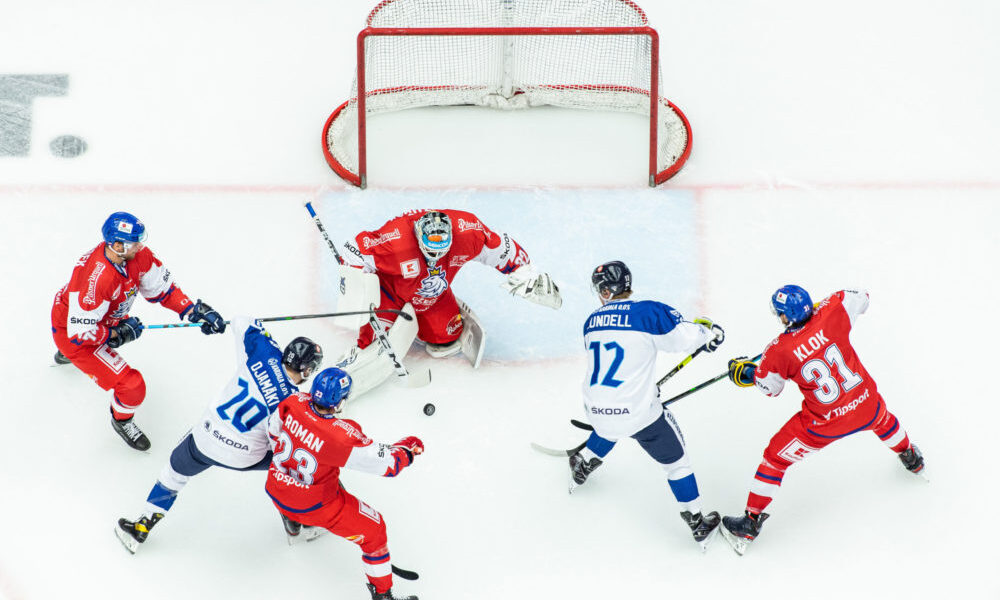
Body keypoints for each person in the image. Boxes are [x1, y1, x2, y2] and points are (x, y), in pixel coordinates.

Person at [721, 286, 925, 556]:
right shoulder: (834, 309)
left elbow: (770, 387)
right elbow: (862, 297)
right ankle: (910, 456)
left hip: (825, 424)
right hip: (864, 402)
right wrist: (821, 310)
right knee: (883, 419)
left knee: (775, 458)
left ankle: (750, 521)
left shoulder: (777, 351)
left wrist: (746, 373)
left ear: (786, 317)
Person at [114, 317, 323, 553]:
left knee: (173, 474)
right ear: (307, 370)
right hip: (244, 456)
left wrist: (256, 332)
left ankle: (141, 527)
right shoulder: (294, 404)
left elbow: (244, 321)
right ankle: (296, 521)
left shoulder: (264, 352)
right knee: (298, 462)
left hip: (207, 436)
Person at [569, 260, 727, 551]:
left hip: (595, 411)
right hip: (640, 415)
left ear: (604, 291)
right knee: (677, 464)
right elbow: (682, 338)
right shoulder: (647, 312)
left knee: (611, 421)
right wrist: (708, 335)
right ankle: (696, 521)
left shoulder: (590, 321)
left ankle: (585, 461)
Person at [336, 209, 561, 397]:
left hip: (433, 295)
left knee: (447, 338)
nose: (435, 255)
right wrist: (359, 288)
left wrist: (525, 272)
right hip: (391, 292)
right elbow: (353, 252)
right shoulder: (395, 241)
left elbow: (501, 248)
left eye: (441, 250)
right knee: (371, 342)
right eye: (430, 250)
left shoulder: (467, 231)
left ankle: (418, 322)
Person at [51, 211, 226, 450]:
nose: (140, 246)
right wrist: (118, 334)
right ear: (116, 245)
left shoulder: (136, 255)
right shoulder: (97, 279)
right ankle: (121, 420)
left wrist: (192, 311)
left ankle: (70, 356)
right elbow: (80, 333)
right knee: (133, 387)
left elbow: (163, 289)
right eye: (134, 242)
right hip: (74, 335)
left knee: (100, 332)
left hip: (97, 318)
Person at [265, 367, 424, 600]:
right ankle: (383, 595)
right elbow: (388, 465)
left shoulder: (293, 401)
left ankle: (293, 525)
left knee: (315, 481)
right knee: (375, 530)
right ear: (339, 401)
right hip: (314, 506)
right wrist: (407, 449)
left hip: (276, 486)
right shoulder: (341, 435)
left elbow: (272, 433)